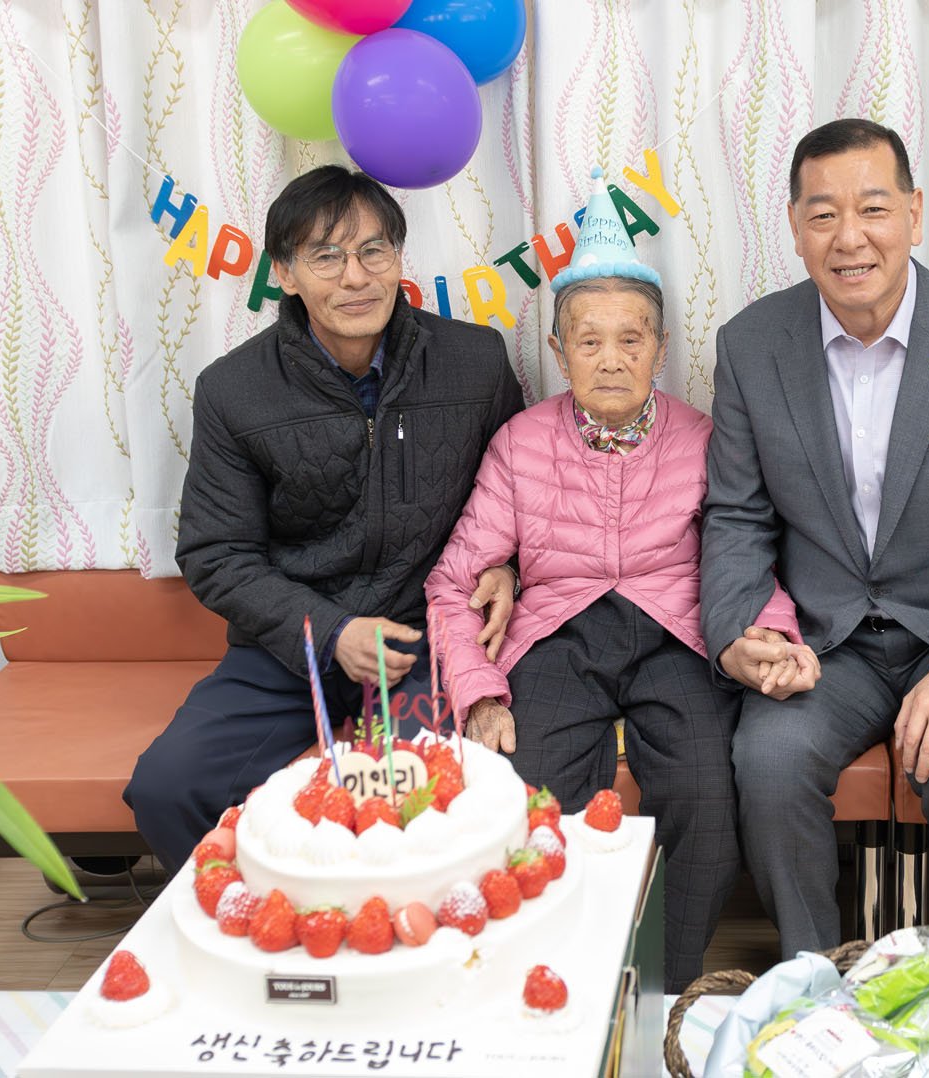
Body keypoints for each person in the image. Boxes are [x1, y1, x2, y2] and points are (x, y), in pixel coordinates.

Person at [425, 169, 818, 991]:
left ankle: (662, 986)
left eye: (632, 340)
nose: (611, 360)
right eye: (589, 341)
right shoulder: (520, 442)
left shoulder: (704, 436)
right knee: (531, 795)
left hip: (676, 634)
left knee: (708, 799)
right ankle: (564, 980)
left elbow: (744, 553)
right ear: (559, 351)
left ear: (661, 349)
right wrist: (480, 693)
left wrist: (774, 634)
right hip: (556, 634)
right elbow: (452, 583)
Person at [701, 118, 929, 958]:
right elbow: (736, 516)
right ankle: (813, 985)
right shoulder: (752, 345)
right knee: (768, 760)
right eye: (823, 214)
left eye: (873, 208)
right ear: (795, 227)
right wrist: (739, 633)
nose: (850, 237)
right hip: (826, 644)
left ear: (913, 213)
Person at [125, 166, 524, 875]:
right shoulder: (233, 391)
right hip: (287, 649)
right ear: (285, 273)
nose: (355, 277)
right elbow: (216, 554)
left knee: (413, 805)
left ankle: (386, 932)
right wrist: (333, 632)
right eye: (326, 256)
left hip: (422, 641)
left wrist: (507, 565)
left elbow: (524, 494)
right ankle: (260, 919)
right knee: (167, 786)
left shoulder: (476, 362)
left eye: (373, 251)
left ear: (398, 257)